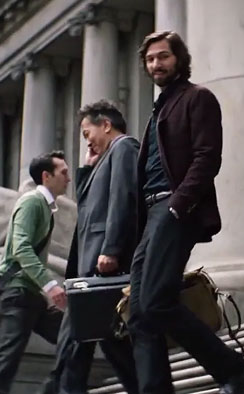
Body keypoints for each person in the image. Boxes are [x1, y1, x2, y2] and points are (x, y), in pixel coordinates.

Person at [127, 31, 244, 394]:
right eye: (150, 59)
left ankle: (235, 371)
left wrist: (176, 206)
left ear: (179, 60)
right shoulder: (158, 111)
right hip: (152, 214)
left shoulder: (197, 98)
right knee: (139, 313)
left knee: (156, 302)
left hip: (173, 209)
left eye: (163, 56)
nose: (156, 64)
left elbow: (207, 158)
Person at [46, 101, 139, 394]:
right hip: (89, 269)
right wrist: (87, 169)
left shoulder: (124, 148)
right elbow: (89, 209)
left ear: (106, 125)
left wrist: (111, 248)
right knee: (97, 345)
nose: (87, 141)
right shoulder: (105, 159)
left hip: (102, 266)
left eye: (88, 133)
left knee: (82, 344)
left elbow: (122, 200)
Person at [0, 151, 69, 394]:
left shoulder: (46, 207)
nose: (68, 179)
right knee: (5, 363)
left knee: (71, 338)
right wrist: (51, 285)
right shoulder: (32, 202)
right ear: (46, 176)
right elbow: (21, 247)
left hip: (31, 296)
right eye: (63, 173)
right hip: (18, 293)